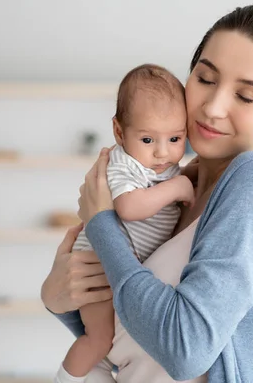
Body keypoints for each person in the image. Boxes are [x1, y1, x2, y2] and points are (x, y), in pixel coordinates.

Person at [41, 4, 253, 382]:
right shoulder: (174, 184)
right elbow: (132, 339)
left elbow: (184, 350)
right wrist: (59, 299)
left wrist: (102, 223)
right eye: (205, 78)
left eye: (246, 96)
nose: (213, 107)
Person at [56, 64, 195, 382]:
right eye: (147, 139)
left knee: (111, 349)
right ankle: (67, 378)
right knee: (98, 341)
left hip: (117, 275)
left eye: (175, 138)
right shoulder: (123, 163)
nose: (163, 152)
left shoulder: (165, 167)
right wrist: (178, 188)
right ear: (119, 132)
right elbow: (128, 206)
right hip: (96, 275)